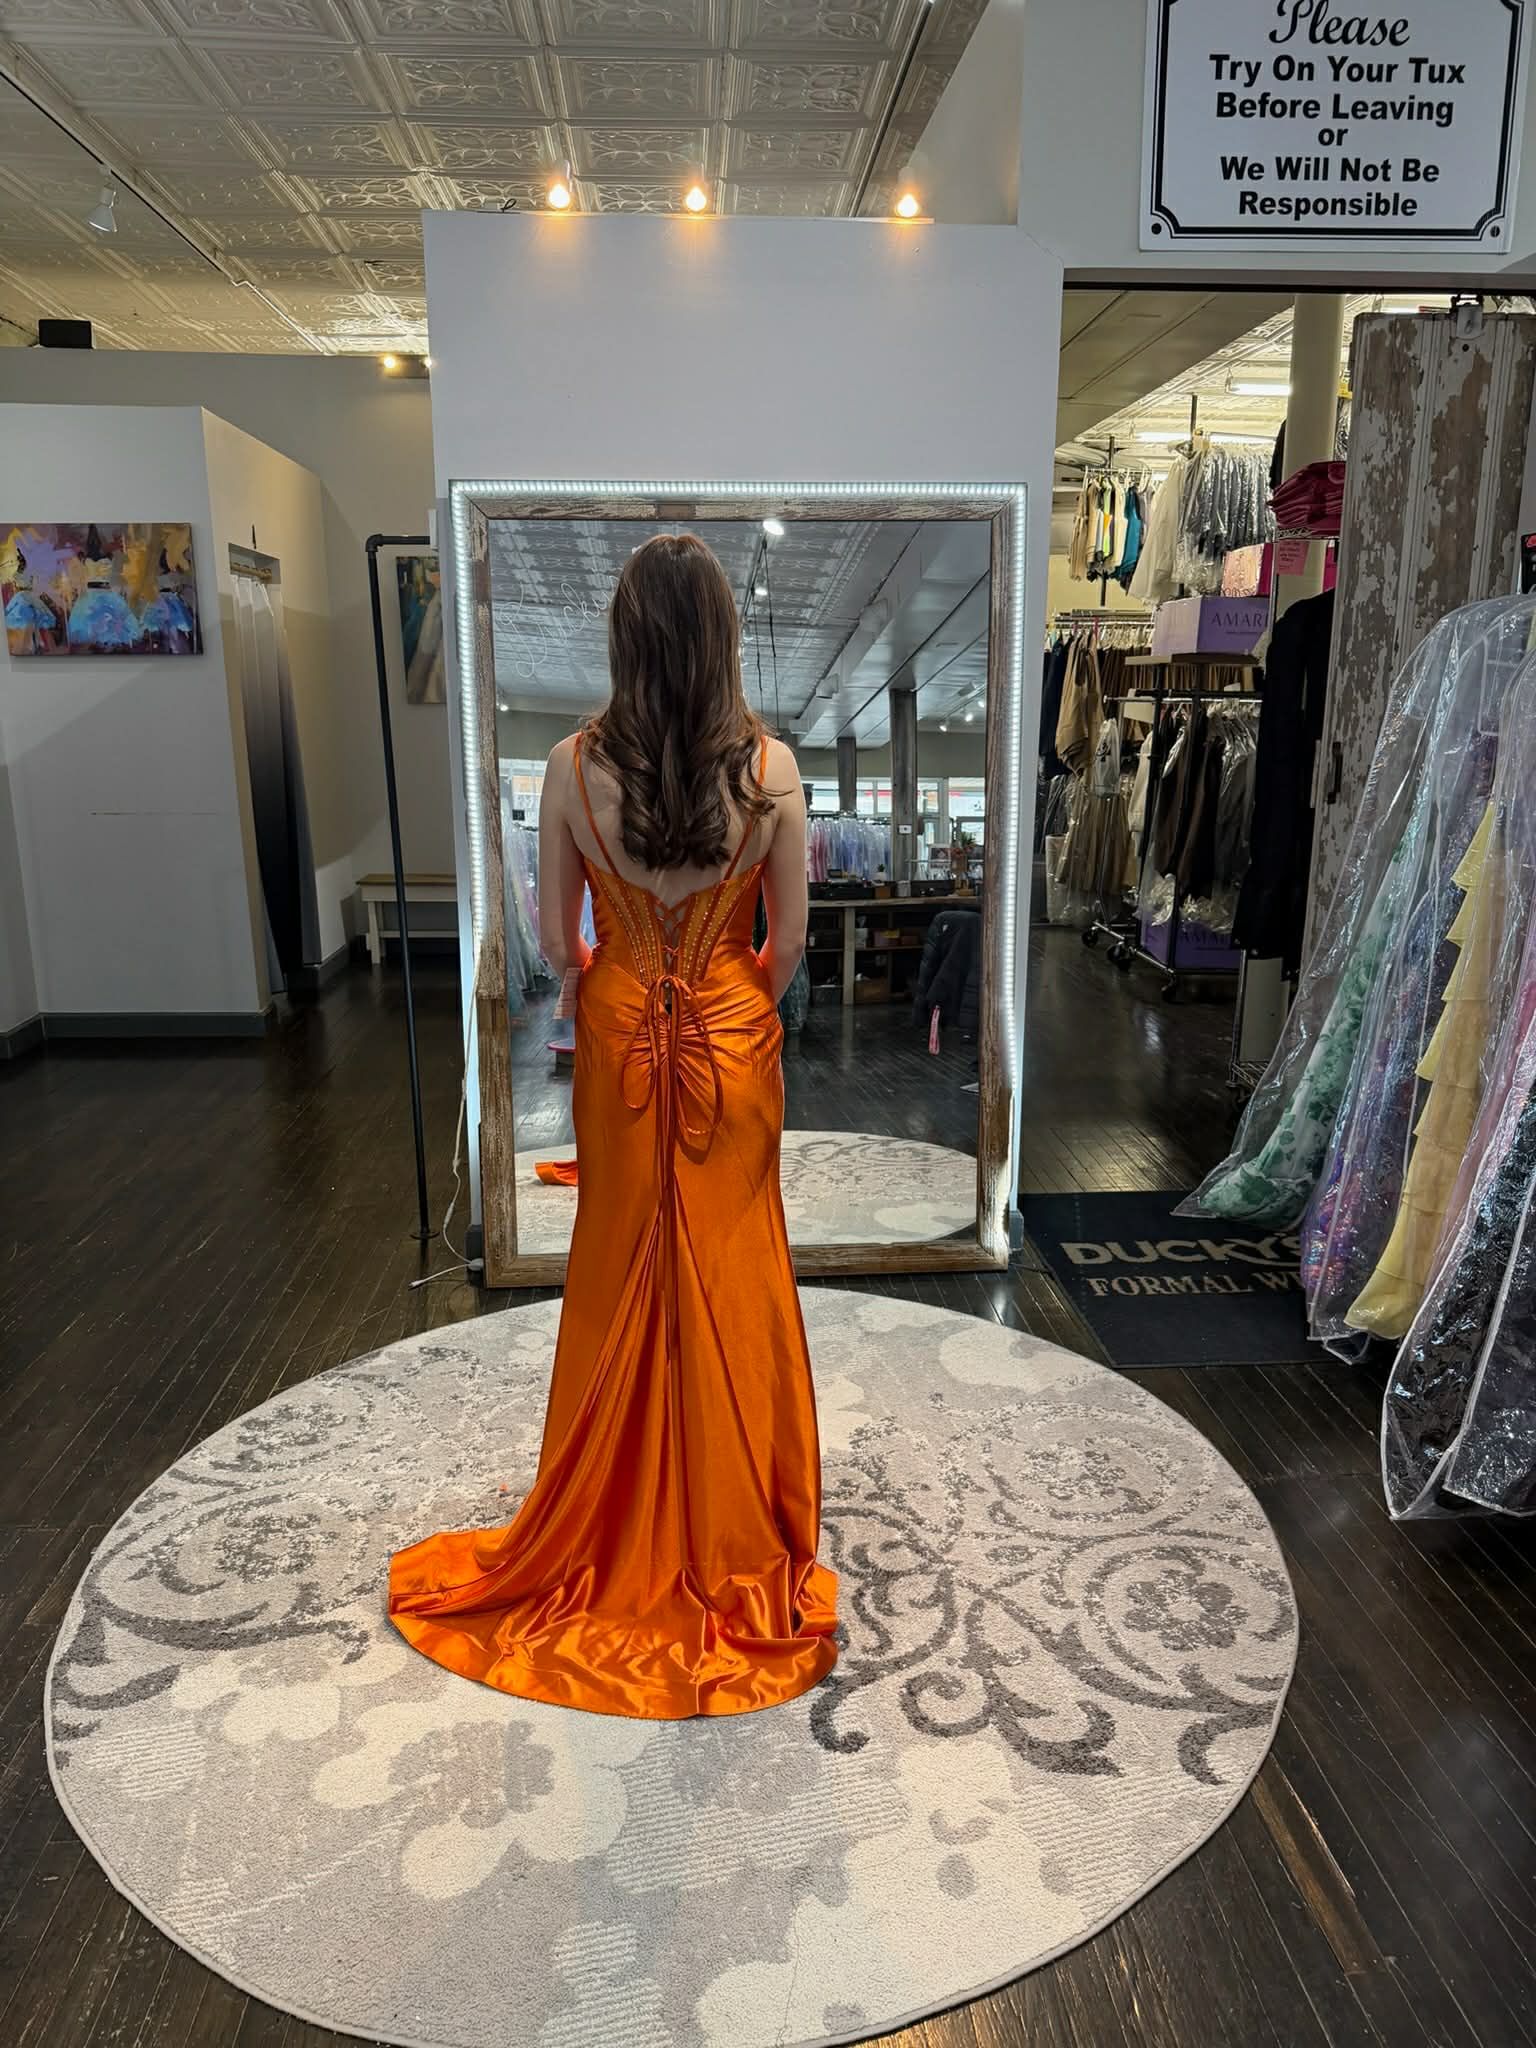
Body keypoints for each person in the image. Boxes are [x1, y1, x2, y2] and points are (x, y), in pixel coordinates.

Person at [388, 534, 839, 1718]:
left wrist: (628, 975)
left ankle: (617, 1506)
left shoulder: (568, 765)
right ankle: (736, 1523)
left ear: (624, 636)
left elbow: (551, 944)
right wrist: (724, 992)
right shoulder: (776, 773)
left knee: (619, 1259)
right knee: (734, 1266)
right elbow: (786, 950)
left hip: (625, 1030)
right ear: (725, 636)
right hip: (733, 1040)